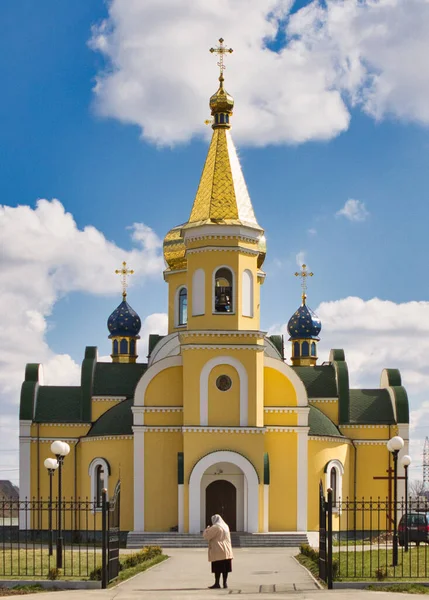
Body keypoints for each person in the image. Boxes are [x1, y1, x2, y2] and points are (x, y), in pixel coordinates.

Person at [203, 514, 233, 589]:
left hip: (218, 550)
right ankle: (225, 583)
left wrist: (207, 529)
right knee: (225, 569)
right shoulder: (226, 526)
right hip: (227, 550)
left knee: (217, 568)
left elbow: (206, 536)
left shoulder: (216, 527)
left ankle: (217, 583)